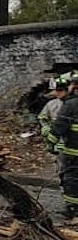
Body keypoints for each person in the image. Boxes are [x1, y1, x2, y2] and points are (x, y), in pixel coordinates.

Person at [50, 71, 78, 220]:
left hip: (74, 153)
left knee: (71, 180)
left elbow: (59, 126)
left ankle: (73, 210)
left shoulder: (71, 104)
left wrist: (50, 143)